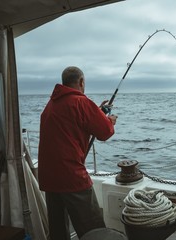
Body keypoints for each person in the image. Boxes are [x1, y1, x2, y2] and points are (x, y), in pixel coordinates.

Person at [38, 66, 117, 240]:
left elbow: (73, 120)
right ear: (81, 82)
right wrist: (109, 120)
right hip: (71, 177)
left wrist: (98, 111)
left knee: (58, 232)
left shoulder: (51, 105)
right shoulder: (81, 102)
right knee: (95, 231)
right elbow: (104, 132)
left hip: (49, 178)